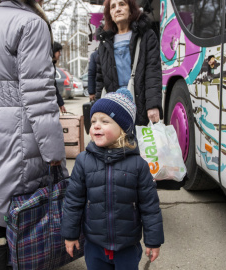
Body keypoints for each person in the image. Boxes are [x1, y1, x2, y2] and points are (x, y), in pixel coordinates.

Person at [0, 0, 67, 269]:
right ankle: (28, 261)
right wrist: (54, 150)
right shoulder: (31, 23)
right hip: (22, 132)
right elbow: (40, 94)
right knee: (25, 206)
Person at [61, 88, 164, 269]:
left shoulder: (138, 165)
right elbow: (73, 201)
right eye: (93, 122)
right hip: (94, 244)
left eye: (105, 121)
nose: (96, 126)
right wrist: (70, 235)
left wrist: (153, 240)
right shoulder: (83, 161)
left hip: (127, 246)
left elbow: (150, 207)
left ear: (123, 129)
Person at [95, 0, 163, 126]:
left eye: (122, 4)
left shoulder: (146, 36)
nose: (118, 9)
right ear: (109, 13)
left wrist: (153, 105)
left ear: (131, 9)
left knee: (140, 143)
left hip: (140, 104)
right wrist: (98, 108)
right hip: (114, 107)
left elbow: (153, 72)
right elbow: (100, 79)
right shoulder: (105, 42)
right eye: (113, 7)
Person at [53, 41, 67, 113]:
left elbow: (54, 85)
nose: (60, 54)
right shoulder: (46, 66)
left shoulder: (52, 66)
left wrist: (60, 103)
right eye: (58, 51)